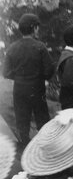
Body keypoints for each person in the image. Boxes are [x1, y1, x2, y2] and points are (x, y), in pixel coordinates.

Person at [2, 14, 54, 147]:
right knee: (42, 119)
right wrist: (40, 77)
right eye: (37, 28)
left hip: (19, 89)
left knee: (22, 120)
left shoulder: (12, 48)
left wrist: (19, 77)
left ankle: (25, 149)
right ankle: (45, 149)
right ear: (34, 28)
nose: (38, 30)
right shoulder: (40, 47)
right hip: (36, 88)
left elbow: (5, 72)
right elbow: (49, 70)